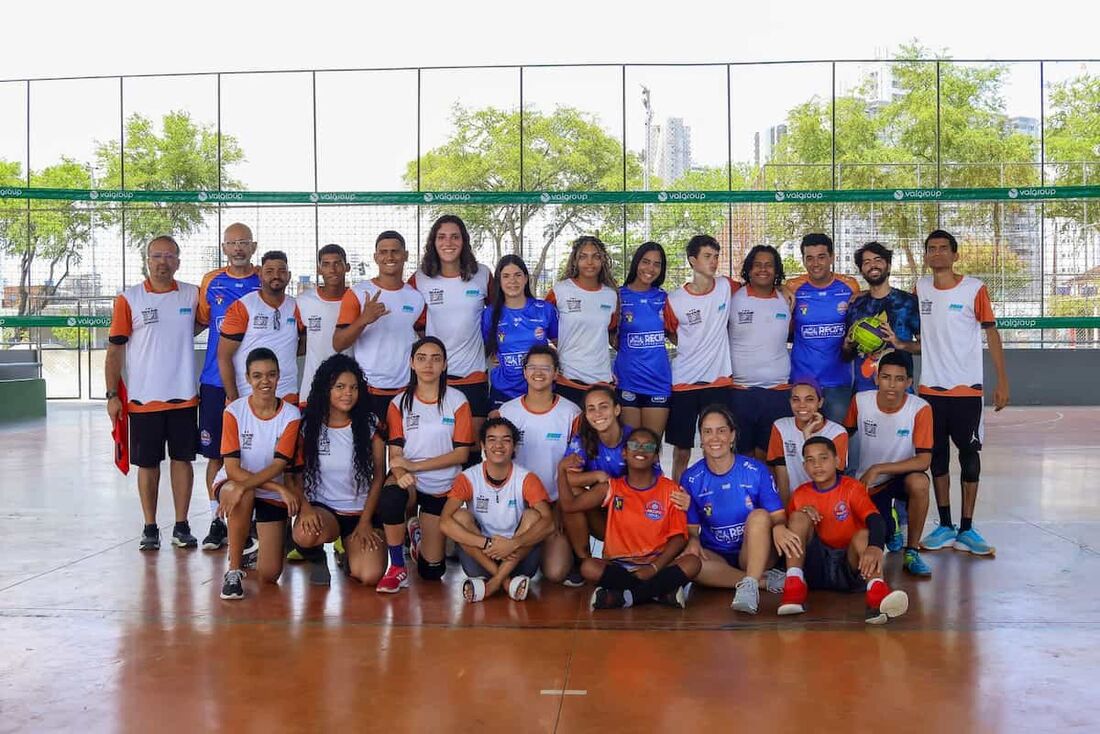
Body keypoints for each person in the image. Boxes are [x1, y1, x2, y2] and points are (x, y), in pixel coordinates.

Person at [915, 229, 1009, 556]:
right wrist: (900, 344)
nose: (937, 253)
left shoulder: (974, 289)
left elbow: (992, 334)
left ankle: (968, 529)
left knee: (969, 458)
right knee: (936, 458)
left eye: (944, 248)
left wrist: (1002, 381)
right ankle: (945, 524)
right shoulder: (921, 288)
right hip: (930, 391)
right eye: (932, 248)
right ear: (926, 256)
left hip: (966, 391)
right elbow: (925, 338)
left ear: (955, 255)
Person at [106, 235, 201, 550]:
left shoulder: (191, 295)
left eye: (169, 256)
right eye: (157, 255)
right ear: (147, 260)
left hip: (184, 396)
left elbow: (204, 323)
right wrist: (112, 395)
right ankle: (149, 527)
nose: (163, 261)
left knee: (182, 460)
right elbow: (115, 352)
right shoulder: (129, 299)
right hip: (143, 399)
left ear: (178, 261)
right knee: (147, 464)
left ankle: (182, 524)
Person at [375, 337, 475, 592]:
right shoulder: (398, 403)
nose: (428, 364)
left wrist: (416, 467)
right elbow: (395, 454)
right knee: (391, 498)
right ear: (411, 363)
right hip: (409, 481)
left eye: (435, 358)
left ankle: (418, 536)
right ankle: (397, 567)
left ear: (444, 365)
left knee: (432, 572)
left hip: (440, 486)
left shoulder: (458, 400)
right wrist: (400, 471)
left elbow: (462, 454)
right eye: (421, 358)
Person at [672, 405, 793, 615]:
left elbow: (777, 516)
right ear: (700, 438)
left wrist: (780, 526)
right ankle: (759, 581)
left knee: (759, 516)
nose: (714, 438)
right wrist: (692, 540)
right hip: (718, 555)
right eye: (707, 432)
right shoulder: (691, 477)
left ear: (732, 435)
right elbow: (692, 529)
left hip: (754, 550)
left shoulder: (755, 470)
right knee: (688, 563)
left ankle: (749, 585)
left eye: (721, 430)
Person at [777, 436, 909, 625]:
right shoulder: (800, 493)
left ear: (837, 461)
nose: (817, 465)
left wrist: (875, 546)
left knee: (864, 535)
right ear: (804, 466)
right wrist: (801, 516)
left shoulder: (852, 487)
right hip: (816, 569)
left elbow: (876, 520)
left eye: (823, 458)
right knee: (797, 517)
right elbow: (790, 539)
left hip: (849, 567)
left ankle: (877, 593)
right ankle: (794, 587)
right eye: (810, 460)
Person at [569, 427, 701, 609]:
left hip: (658, 563)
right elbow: (569, 506)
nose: (640, 450)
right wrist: (561, 471)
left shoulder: (670, 489)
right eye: (634, 445)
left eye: (648, 447)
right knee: (588, 567)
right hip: (620, 566)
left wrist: (653, 568)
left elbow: (679, 538)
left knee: (693, 563)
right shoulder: (613, 487)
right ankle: (659, 593)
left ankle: (624, 597)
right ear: (624, 453)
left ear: (656, 457)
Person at [214, 348, 303, 600]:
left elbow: (278, 465)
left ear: (278, 377)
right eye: (257, 376)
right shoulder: (234, 411)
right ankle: (233, 571)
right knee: (242, 493)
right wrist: (279, 489)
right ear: (247, 378)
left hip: (264, 484)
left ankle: (252, 550)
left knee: (269, 573)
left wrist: (273, 486)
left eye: (271, 375)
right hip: (234, 482)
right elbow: (231, 469)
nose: (265, 381)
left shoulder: (290, 414)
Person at [291, 354, 387, 587]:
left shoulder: (370, 423)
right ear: (326, 389)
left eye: (353, 388)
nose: (348, 393)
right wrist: (305, 509)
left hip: (360, 513)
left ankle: (348, 555)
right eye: (340, 387)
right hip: (325, 510)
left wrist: (365, 521)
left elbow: (379, 476)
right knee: (305, 534)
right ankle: (316, 557)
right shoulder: (308, 426)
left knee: (369, 576)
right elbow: (294, 475)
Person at [440, 417, 555, 602]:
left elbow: (549, 523)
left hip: (519, 559)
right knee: (459, 516)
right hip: (481, 558)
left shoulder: (527, 478)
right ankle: (505, 582)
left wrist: (514, 543)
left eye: (506, 440)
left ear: (515, 446)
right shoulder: (468, 477)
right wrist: (486, 543)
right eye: (492, 439)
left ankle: (493, 583)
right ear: (483, 445)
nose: (498, 445)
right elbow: (444, 522)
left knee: (534, 516)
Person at [196, 223, 260, 551]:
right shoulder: (210, 282)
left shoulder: (265, 279)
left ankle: (253, 521)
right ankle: (216, 521)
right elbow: (199, 321)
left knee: (251, 452)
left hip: (253, 385)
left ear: (253, 246)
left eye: (244, 243)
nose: (238, 248)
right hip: (214, 382)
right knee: (215, 456)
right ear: (224, 248)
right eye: (232, 243)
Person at [496, 346, 581, 584]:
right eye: (532, 367)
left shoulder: (571, 413)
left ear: (556, 374)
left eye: (546, 368)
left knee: (555, 573)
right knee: (516, 567)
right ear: (524, 372)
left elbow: (573, 469)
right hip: (516, 505)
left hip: (553, 505)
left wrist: (561, 510)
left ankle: (563, 550)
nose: (538, 373)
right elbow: (498, 464)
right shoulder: (508, 411)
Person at [409, 215, 492, 460]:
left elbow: (499, 315)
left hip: (473, 376)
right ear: (433, 242)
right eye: (442, 236)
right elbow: (411, 319)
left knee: (471, 450)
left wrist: (493, 350)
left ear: (464, 241)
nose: (448, 242)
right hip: (435, 378)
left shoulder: (483, 274)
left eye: (455, 236)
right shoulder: (420, 278)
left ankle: (473, 498)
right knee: (439, 447)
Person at [844, 351, 933, 576]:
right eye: (886, 377)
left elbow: (924, 460)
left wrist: (879, 468)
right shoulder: (860, 401)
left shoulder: (920, 408)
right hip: (870, 485)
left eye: (899, 379)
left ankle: (911, 551)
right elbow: (842, 437)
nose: (891, 385)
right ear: (876, 378)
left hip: (901, 476)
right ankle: (891, 524)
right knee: (870, 544)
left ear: (909, 383)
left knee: (920, 483)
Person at [663, 234, 737, 481]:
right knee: (682, 450)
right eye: (707, 257)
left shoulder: (727, 287)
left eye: (716, 257)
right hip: (684, 381)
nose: (714, 262)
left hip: (718, 381)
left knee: (718, 446)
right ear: (693, 261)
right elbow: (671, 333)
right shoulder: (674, 300)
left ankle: (716, 496)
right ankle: (677, 499)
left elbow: (760, 286)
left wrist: (782, 288)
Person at [334, 230, 425, 425]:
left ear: (406, 255)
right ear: (375, 257)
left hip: (405, 392)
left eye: (395, 251)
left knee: (400, 452)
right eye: (383, 252)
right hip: (367, 390)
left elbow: (424, 340)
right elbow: (338, 343)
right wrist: (363, 319)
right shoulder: (358, 293)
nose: (389, 257)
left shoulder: (416, 297)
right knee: (367, 452)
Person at [557, 385, 650, 569]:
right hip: (604, 516)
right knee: (572, 493)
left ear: (617, 409)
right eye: (591, 408)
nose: (597, 413)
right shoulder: (582, 439)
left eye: (603, 406)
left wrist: (612, 487)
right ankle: (584, 560)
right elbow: (567, 479)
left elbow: (654, 485)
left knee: (604, 489)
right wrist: (596, 475)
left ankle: (634, 553)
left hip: (635, 514)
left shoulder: (635, 438)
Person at [787, 233, 861, 424]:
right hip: (803, 382)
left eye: (821, 257)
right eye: (809, 258)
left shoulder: (850, 286)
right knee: (805, 442)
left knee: (836, 441)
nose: (815, 263)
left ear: (832, 257)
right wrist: (780, 287)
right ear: (803, 260)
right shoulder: (793, 287)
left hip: (838, 382)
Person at [728, 244, 793, 460]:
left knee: (772, 458)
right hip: (740, 390)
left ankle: (769, 495)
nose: (763, 269)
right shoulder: (732, 296)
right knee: (743, 457)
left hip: (777, 389)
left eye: (769, 265)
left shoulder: (787, 299)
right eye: (757, 265)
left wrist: (784, 288)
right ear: (748, 269)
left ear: (777, 271)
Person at [217, 250, 303, 404]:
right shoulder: (243, 306)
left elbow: (304, 343)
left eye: (281, 271)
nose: (276, 275)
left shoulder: (296, 306)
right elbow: (224, 356)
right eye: (269, 271)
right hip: (248, 396)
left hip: (287, 395)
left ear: (289, 276)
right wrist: (234, 399)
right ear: (260, 275)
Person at [545, 236, 619, 409]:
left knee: (599, 434)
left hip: (602, 381)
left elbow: (609, 333)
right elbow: (541, 326)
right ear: (575, 261)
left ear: (603, 261)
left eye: (596, 256)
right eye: (583, 256)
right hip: (568, 380)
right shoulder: (560, 291)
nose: (590, 262)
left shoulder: (610, 295)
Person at [841, 241, 921, 396]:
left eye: (878, 260)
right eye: (867, 262)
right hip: (864, 393)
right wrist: (847, 346)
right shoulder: (855, 305)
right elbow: (846, 355)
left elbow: (925, 346)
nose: (873, 265)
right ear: (862, 270)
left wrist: (899, 343)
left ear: (889, 266)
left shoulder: (908, 302)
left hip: (900, 394)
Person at [613, 241, 672, 439]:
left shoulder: (665, 299)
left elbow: (678, 335)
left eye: (657, 264)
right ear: (636, 263)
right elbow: (609, 336)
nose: (650, 268)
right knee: (631, 447)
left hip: (658, 383)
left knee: (650, 448)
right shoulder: (619, 296)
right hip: (627, 382)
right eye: (646, 262)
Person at [482, 255, 557, 410]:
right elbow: (485, 348)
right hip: (503, 392)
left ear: (525, 278)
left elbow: (559, 344)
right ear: (499, 281)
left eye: (517, 275)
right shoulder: (490, 313)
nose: (512, 281)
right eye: (506, 276)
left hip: (538, 389)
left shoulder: (544, 310)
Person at [766, 381, 849, 503]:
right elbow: (781, 477)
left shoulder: (837, 433)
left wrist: (808, 437)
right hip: (794, 502)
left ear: (820, 403)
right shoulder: (781, 427)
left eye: (809, 399)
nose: (802, 405)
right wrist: (786, 512)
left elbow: (829, 480)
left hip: (827, 500)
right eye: (796, 400)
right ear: (790, 402)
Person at [297, 244, 352, 407]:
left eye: (337, 263)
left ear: (347, 267)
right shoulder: (304, 301)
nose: (332, 269)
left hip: (347, 390)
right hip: (313, 388)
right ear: (319, 269)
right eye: (326, 264)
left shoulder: (357, 300)